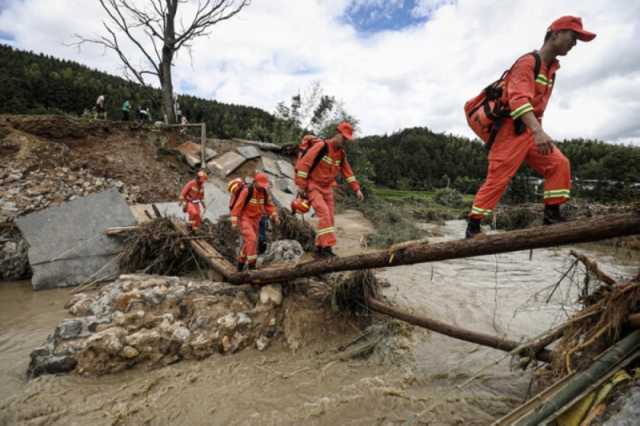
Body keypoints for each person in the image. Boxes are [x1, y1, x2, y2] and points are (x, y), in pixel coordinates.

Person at [465, 16, 596, 239]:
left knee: (558, 164)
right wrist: (538, 131)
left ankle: (551, 216)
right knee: (499, 178)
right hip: (510, 130)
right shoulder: (528, 62)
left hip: (530, 130)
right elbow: (518, 100)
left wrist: (536, 131)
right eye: (572, 37)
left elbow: (537, 107)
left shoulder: (551, 69)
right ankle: (474, 226)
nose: (574, 44)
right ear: (555, 34)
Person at [295, 121, 364, 258]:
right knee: (324, 214)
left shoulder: (341, 154)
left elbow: (347, 172)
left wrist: (357, 189)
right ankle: (326, 249)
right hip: (313, 186)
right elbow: (304, 165)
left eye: (346, 139)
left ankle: (321, 248)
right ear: (337, 133)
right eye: (343, 138)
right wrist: (301, 186)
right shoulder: (321, 146)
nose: (344, 141)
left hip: (327, 188)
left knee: (330, 218)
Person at [231, 172, 279, 271]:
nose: (262, 187)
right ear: (255, 182)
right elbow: (237, 207)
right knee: (252, 239)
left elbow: (269, 206)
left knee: (248, 243)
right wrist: (234, 221)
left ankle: (240, 266)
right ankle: (252, 266)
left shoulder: (264, 193)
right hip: (245, 219)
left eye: (263, 185)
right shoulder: (246, 191)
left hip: (256, 220)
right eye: (260, 185)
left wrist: (274, 216)